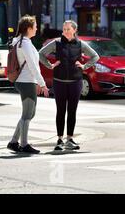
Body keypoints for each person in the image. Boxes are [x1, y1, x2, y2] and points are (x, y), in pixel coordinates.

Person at [39, 20, 99, 151]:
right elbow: (41, 54)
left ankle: (70, 139)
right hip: (59, 82)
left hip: (76, 82)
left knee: (72, 111)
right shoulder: (56, 43)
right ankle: (59, 139)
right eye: (64, 28)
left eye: (68, 29)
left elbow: (95, 56)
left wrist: (84, 66)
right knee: (60, 111)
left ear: (74, 30)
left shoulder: (80, 44)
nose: (65, 31)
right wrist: (50, 65)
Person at [7, 15, 49, 154]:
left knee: (28, 114)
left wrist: (37, 82)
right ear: (29, 28)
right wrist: (42, 84)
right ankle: (24, 145)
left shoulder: (19, 41)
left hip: (24, 81)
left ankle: (14, 142)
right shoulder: (24, 43)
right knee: (27, 115)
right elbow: (32, 65)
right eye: (35, 26)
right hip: (26, 82)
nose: (37, 28)